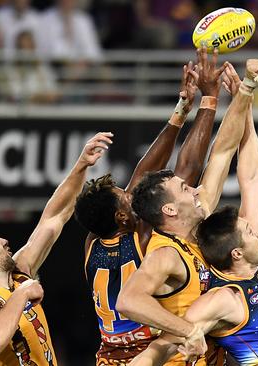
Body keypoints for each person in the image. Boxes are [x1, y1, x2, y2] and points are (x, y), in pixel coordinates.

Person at [129, 68, 258, 366]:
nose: (195, 190)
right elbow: (153, 340)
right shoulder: (181, 267)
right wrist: (188, 332)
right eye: (185, 188)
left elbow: (243, 171)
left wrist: (245, 96)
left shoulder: (213, 236)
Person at [74, 48, 227, 366]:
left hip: (109, 356)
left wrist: (180, 111)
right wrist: (208, 100)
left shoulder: (92, 243)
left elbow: (142, 175)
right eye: (125, 196)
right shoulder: (143, 238)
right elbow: (188, 167)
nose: (132, 192)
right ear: (121, 216)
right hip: (149, 355)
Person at [0, 132, 113, 365]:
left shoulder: (18, 273)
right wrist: (22, 293)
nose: (4, 240)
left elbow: (53, 218)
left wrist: (81, 165)